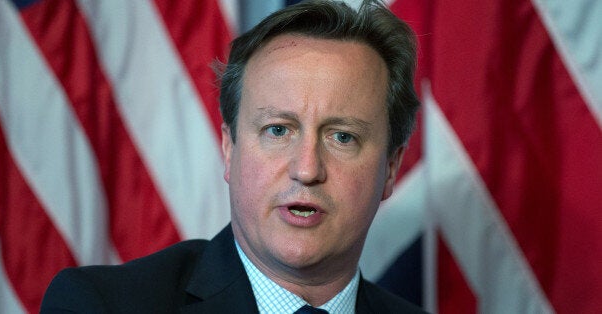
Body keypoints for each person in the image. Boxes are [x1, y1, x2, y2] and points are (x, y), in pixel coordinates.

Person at [41, 0, 423, 313]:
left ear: (390, 168)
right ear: (229, 149)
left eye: (342, 136)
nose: (306, 169)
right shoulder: (101, 306)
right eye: (277, 130)